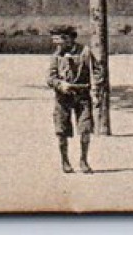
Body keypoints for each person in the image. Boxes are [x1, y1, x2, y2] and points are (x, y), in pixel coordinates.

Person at [46, 24, 100, 174]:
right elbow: (50, 78)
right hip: (62, 97)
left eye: (58, 40)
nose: (55, 44)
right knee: (61, 130)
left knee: (85, 128)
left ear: (68, 38)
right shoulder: (56, 56)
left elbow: (97, 72)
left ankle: (83, 160)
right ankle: (65, 161)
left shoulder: (85, 52)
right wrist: (59, 84)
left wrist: (96, 92)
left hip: (82, 95)